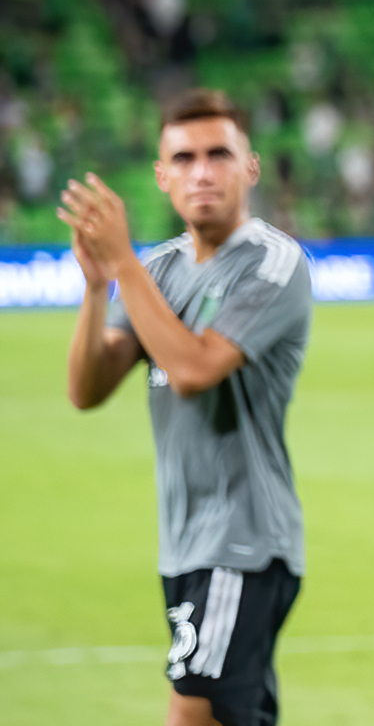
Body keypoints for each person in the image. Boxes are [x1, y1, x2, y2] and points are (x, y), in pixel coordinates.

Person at [58, 89, 311, 726]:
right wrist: (97, 287)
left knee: (190, 715)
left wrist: (122, 264)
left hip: (244, 542)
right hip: (184, 544)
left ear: (251, 167)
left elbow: (195, 371)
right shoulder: (159, 269)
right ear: (162, 176)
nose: (202, 172)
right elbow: (88, 389)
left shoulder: (273, 263)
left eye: (219, 154)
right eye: (185, 158)